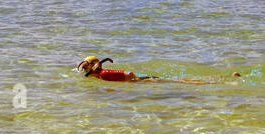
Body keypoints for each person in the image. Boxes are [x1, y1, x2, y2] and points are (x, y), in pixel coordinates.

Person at [74, 55, 240, 84]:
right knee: (181, 80)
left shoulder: (103, 74)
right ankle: (224, 76)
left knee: (182, 81)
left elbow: (129, 74)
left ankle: (226, 81)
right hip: (142, 80)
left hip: (143, 81)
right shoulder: (101, 75)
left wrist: (132, 82)